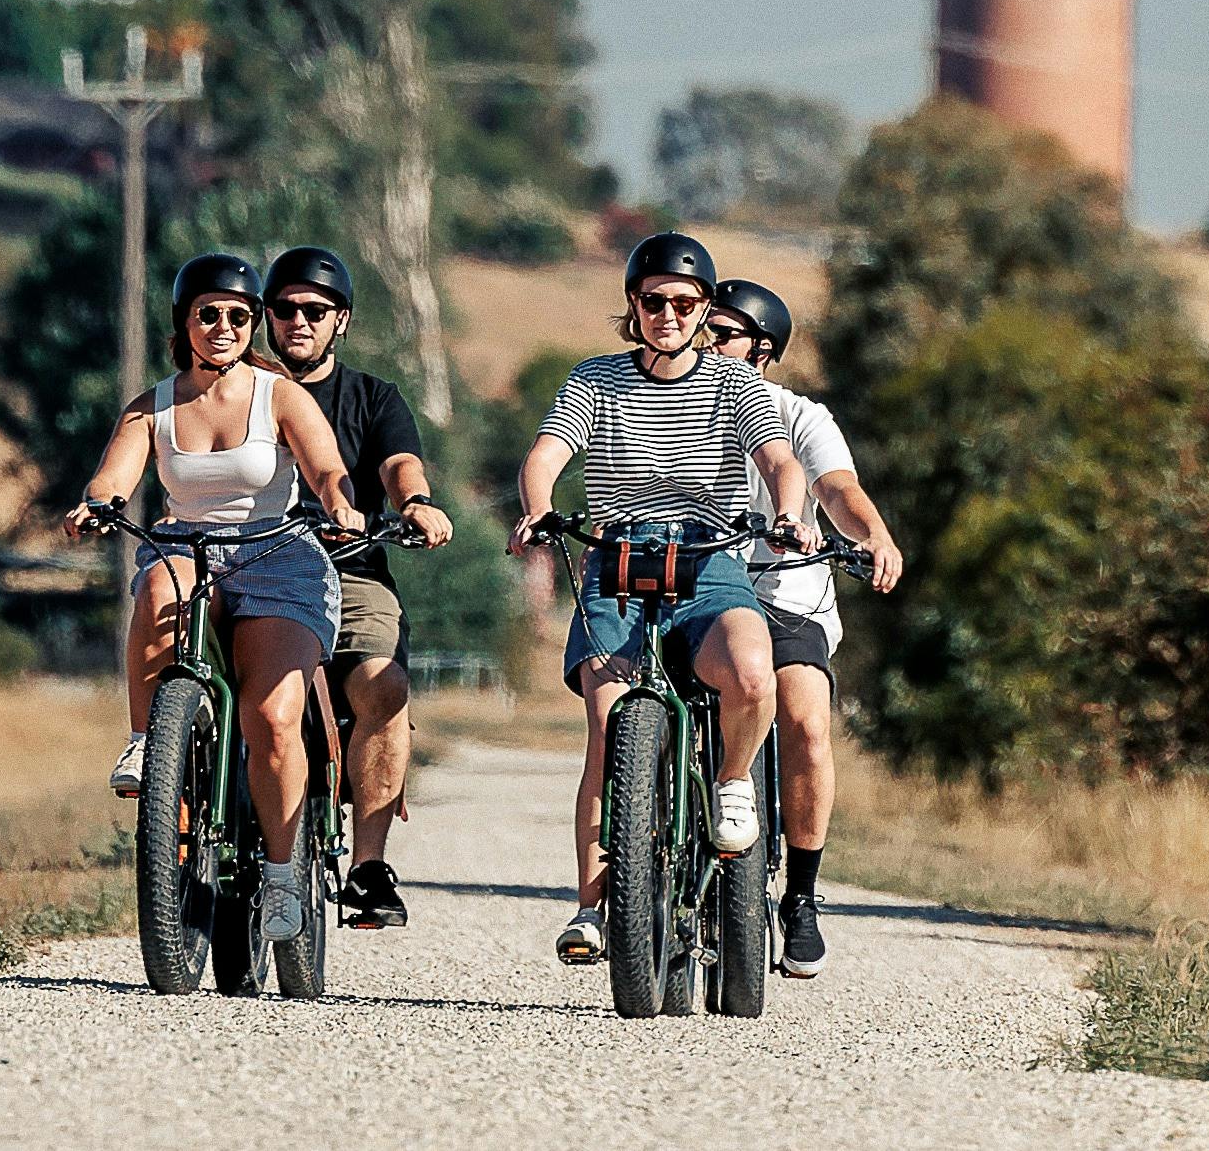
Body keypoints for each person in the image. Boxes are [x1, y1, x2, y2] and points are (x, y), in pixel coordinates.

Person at [514, 229, 811, 970]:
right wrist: (538, 506)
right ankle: (590, 906)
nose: (668, 314)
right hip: (616, 553)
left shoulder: (736, 385)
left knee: (750, 674)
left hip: (708, 555)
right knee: (608, 718)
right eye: (653, 301)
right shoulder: (595, 379)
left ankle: (734, 781)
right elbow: (547, 454)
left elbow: (778, 458)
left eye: (684, 302)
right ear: (632, 305)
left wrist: (788, 512)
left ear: (706, 308)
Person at [67, 249, 360, 952]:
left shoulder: (279, 394)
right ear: (185, 322)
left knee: (270, 712)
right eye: (209, 314)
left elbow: (326, 466)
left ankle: (286, 874)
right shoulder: (155, 405)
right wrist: (96, 504)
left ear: (252, 322)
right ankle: (149, 743)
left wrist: (341, 506)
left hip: (277, 554)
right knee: (159, 586)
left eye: (237, 315)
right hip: (188, 546)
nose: (223, 326)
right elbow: (115, 473)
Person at [706, 276, 904, 980]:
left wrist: (873, 534)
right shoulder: (677, 406)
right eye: (704, 327)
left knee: (806, 719)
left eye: (722, 331)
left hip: (784, 592)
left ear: (762, 348)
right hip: (699, 588)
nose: (706, 340)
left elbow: (837, 490)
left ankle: (800, 895)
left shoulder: (800, 416)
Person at [255, 243, 456, 930]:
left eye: (315, 310)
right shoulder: (236, 390)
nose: (298, 322)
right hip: (249, 566)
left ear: (342, 319)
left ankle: (368, 868)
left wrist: (415, 503)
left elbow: (400, 463)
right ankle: (175, 802)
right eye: (283, 309)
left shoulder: (374, 398)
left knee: (383, 685)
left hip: (351, 570)